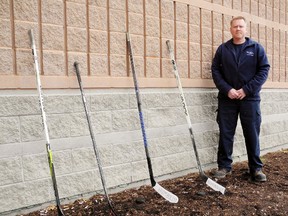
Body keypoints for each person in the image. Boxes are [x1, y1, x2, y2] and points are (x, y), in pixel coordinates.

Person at [211, 16, 270, 182]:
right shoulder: (223, 49)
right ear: (230, 29)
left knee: (252, 133)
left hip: (250, 100)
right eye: (235, 26)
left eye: (241, 26)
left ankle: (256, 169)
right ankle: (224, 167)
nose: (238, 29)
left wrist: (246, 90)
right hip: (227, 99)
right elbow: (215, 71)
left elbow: (264, 70)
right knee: (226, 133)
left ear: (246, 29)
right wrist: (227, 89)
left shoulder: (256, 48)